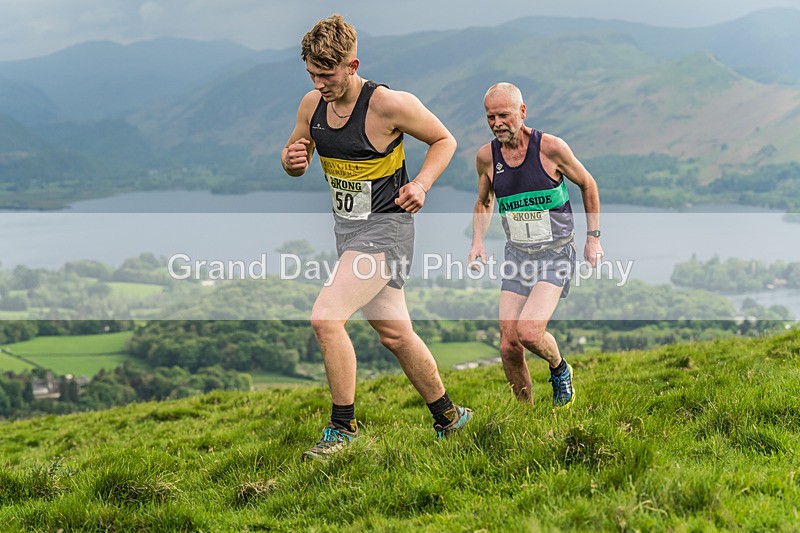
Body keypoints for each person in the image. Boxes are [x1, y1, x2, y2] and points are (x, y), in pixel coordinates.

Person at [281, 14, 472, 460]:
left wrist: (421, 184)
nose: (319, 83)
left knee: (326, 318)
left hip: (387, 231)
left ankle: (342, 430)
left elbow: (444, 140)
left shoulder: (389, 105)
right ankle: (450, 417)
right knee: (395, 334)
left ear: (352, 65)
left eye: (327, 75)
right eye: (311, 73)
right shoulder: (312, 105)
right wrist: (292, 161)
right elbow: (296, 157)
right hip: (348, 234)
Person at [468, 82, 603, 406]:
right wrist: (477, 243)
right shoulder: (487, 157)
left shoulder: (550, 148)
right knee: (508, 345)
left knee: (529, 332)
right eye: (490, 117)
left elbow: (587, 183)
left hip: (555, 254)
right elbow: (485, 202)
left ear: (522, 112)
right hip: (517, 256)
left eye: (504, 115)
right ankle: (526, 415)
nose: (497, 123)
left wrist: (593, 238)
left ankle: (559, 368)